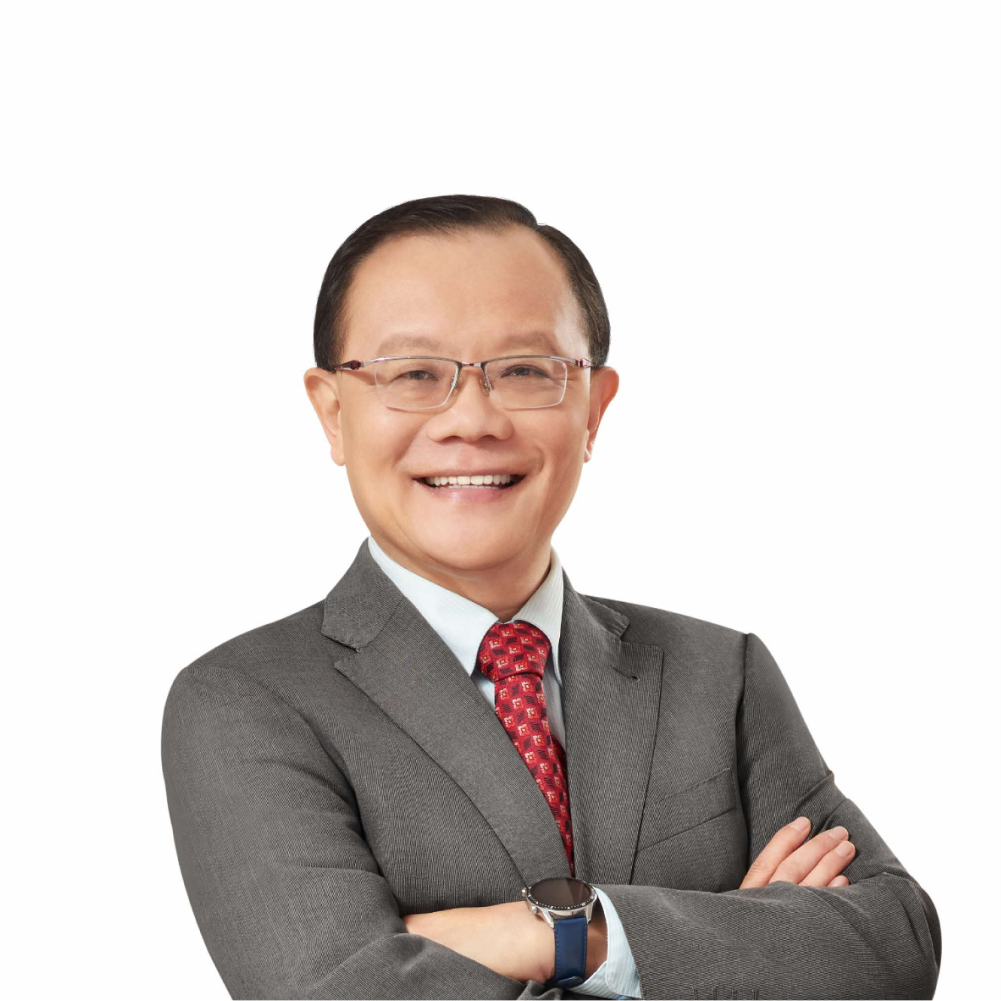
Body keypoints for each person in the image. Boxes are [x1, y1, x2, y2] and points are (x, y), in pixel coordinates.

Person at [160, 194, 942, 1001]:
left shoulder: (720, 675)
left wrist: (557, 933)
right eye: (415, 374)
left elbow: (895, 948)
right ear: (331, 412)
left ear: (593, 408)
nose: (470, 419)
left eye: (525, 371)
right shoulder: (244, 700)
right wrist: (729, 948)